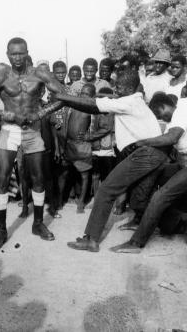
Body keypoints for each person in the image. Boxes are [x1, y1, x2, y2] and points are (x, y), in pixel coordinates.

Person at [53, 70, 167, 252]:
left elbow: (92, 105)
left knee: (106, 190)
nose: (116, 89)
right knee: (140, 197)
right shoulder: (135, 100)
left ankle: (91, 239)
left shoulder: (128, 102)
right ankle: (176, 224)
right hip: (154, 154)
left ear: (129, 88)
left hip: (146, 154)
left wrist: (63, 97)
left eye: (119, 87)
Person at [0, 37, 63, 250]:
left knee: (38, 178)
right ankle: (1, 229)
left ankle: (38, 224)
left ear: (27, 52)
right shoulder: (0, 76)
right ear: (7, 54)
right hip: (9, 130)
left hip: (33, 131)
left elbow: (62, 95)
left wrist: (42, 112)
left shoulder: (40, 74)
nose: (17, 58)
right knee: (2, 178)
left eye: (21, 53)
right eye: (13, 54)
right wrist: (8, 116)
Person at [111, 93, 187, 253]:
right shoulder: (174, 117)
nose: (161, 118)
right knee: (148, 175)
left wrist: (142, 142)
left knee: (161, 196)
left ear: (165, 106)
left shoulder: (182, 109)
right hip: (181, 163)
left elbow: (171, 138)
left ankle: (136, 243)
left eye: (159, 114)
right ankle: (143, 218)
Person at [64, 83, 95, 213]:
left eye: (87, 94)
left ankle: (81, 202)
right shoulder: (73, 106)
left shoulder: (92, 110)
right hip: (69, 144)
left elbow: (95, 126)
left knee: (84, 175)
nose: (84, 96)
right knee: (65, 172)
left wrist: (89, 136)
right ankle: (64, 197)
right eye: (82, 93)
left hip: (82, 146)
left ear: (92, 96)